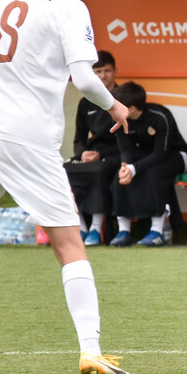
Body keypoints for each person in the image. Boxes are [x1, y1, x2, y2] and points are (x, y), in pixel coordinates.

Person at [0, 0, 134, 374]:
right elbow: (86, 77)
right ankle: (91, 351)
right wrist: (115, 106)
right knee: (69, 243)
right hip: (26, 137)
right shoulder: (69, 6)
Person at [108, 81, 187, 247]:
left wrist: (135, 168)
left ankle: (156, 232)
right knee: (120, 175)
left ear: (131, 109)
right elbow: (126, 150)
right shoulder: (118, 119)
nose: (113, 109)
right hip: (145, 157)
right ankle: (123, 231)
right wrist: (127, 166)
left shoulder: (160, 116)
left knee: (154, 173)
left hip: (176, 155)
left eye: (117, 105)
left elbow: (161, 153)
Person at [64, 49, 120, 246]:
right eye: (98, 72)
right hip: (90, 155)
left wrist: (101, 154)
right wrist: (82, 153)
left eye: (107, 71)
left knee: (98, 171)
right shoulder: (85, 102)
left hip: (114, 154)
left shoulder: (122, 98)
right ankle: (80, 228)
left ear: (115, 72)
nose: (103, 76)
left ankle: (96, 227)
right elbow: (79, 139)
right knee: (63, 172)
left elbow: (125, 140)